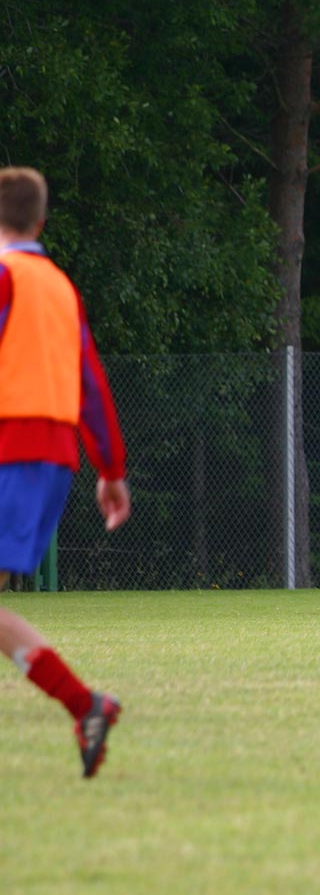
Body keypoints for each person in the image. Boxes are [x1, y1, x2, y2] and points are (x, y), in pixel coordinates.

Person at [0, 166, 130, 778]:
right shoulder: (60, 286)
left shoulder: (6, 278)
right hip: (52, 460)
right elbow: (91, 385)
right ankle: (86, 706)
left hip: (9, 450)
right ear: (42, 221)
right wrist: (111, 469)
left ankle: (87, 704)